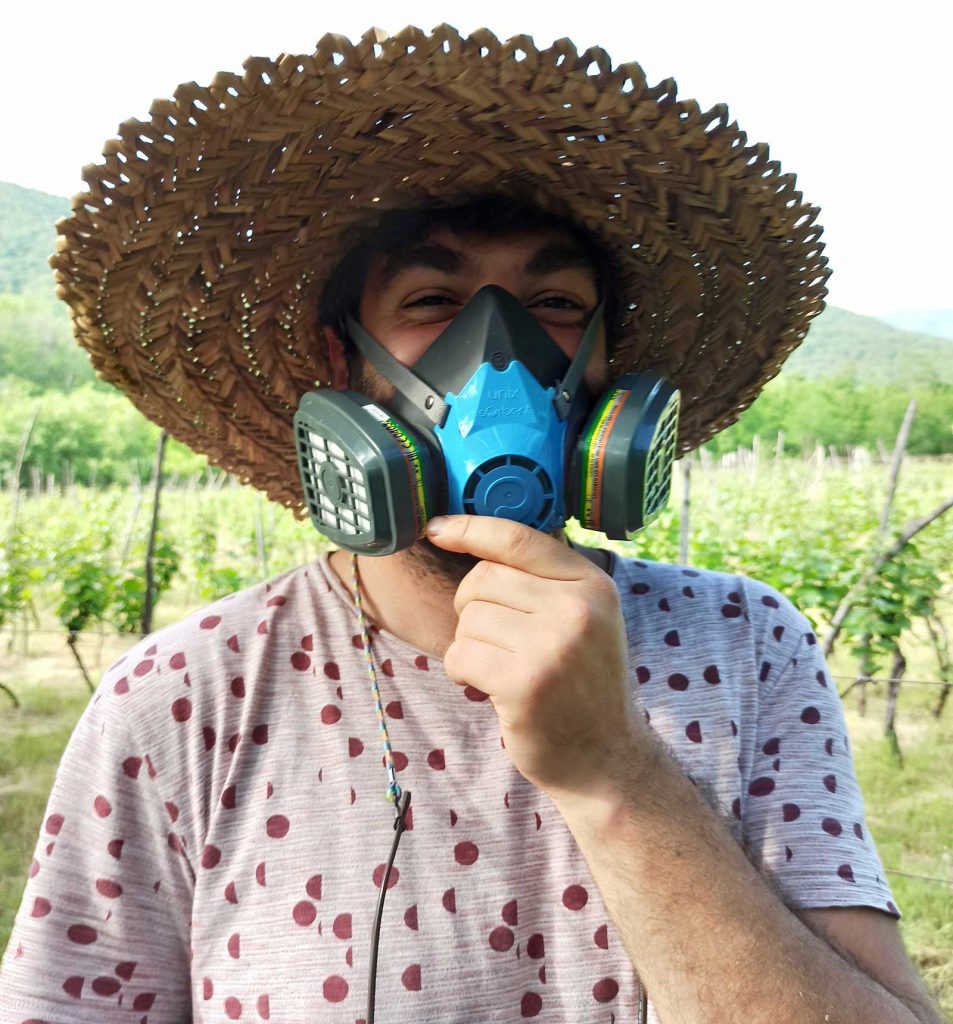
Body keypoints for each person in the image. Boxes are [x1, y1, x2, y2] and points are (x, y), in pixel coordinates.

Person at [0, 25, 944, 1024]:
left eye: (551, 302)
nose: (496, 355)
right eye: (433, 298)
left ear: (606, 376)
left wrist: (614, 768)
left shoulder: (749, 650)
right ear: (342, 361)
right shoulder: (184, 699)